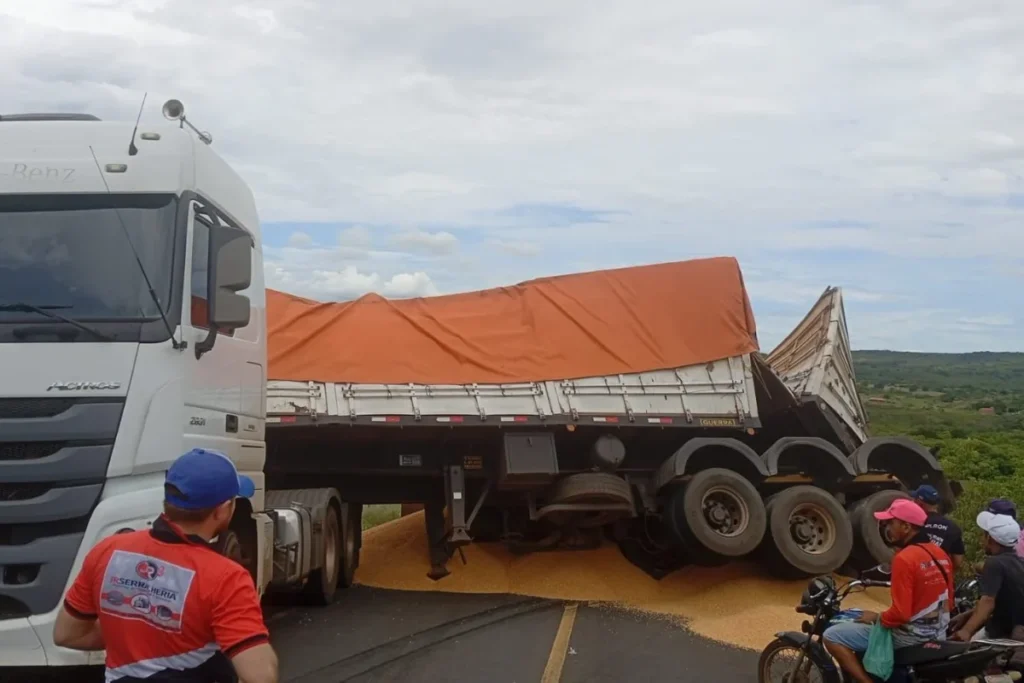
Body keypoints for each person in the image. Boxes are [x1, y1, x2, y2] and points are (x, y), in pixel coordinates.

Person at [52, 448, 278, 683]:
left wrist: (136, 636)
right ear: (222, 510)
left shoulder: (108, 551)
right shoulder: (226, 578)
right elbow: (260, 675)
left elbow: (67, 634)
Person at [823, 499, 954, 683]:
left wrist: (877, 617)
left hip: (911, 637)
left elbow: (901, 614)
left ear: (906, 527)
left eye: (891, 523)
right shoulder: (940, 554)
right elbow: (950, 602)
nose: (886, 528)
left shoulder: (904, 559)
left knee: (832, 636)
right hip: (938, 633)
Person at [951, 511, 1024, 642]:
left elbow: (988, 601)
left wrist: (966, 631)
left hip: (1000, 633)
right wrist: (966, 615)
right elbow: (1007, 600)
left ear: (990, 538)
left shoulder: (994, 563)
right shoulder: (1018, 561)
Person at [911, 485, 966, 572]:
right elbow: (958, 562)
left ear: (919, 503)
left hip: (917, 573)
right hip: (941, 576)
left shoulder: (913, 524)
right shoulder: (953, 527)